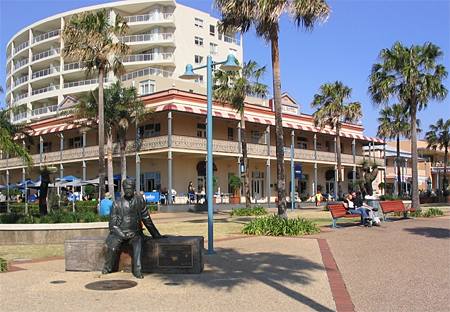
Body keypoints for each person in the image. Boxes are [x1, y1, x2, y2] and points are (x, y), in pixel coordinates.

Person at [102, 179, 163, 279]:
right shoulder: (116, 204)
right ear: (123, 189)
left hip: (135, 233)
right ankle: (108, 267)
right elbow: (112, 225)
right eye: (126, 189)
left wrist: (156, 235)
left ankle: (137, 270)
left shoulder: (140, 201)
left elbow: (146, 218)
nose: (128, 191)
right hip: (119, 233)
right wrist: (122, 234)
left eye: (130, 188)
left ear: (134, 189)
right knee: (112, 247)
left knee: (138, 245)